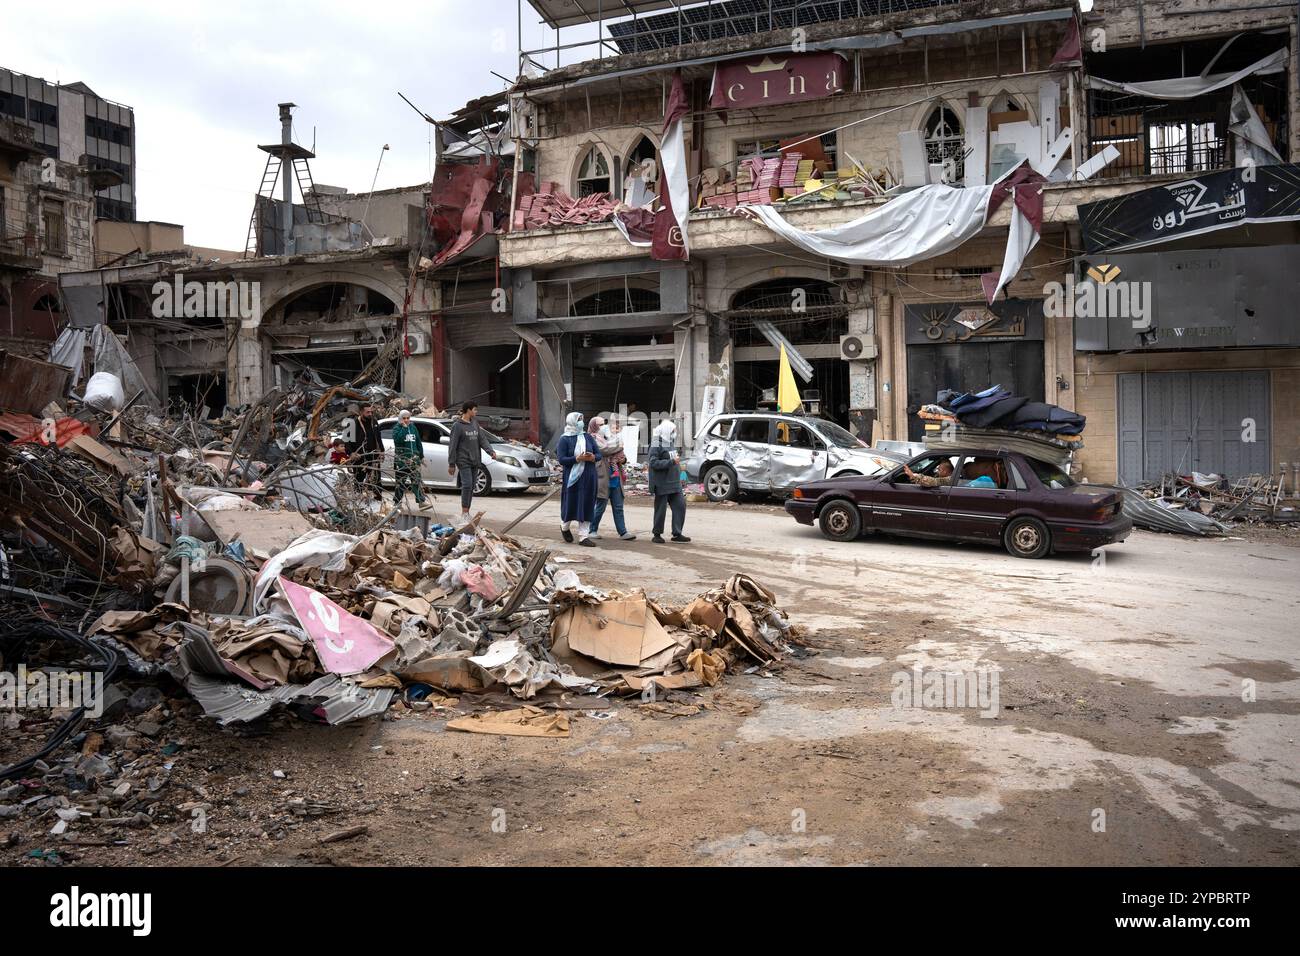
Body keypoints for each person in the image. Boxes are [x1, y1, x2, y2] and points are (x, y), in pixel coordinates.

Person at [447, 401, 498, 521]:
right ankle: (464, 512)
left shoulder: (475, 423)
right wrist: (451, 464)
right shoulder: (457, 426)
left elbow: (482, 439)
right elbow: (452, 446)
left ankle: (467, 511)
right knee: (467, 484)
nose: (476, 412)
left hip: (475, 460)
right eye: (474, 410)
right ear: (468, 410)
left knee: (472, 486)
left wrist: (490, 451)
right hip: (463, 460)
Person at [589, 417, 636, 542]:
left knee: (618, 506)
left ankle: (623, 532)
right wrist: (619, 446)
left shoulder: (611, 437)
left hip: (615, 476)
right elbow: (604, 450)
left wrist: (623, 459)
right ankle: (592, 529)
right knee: (601, 506)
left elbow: (622, 455)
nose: (602, 426)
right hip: (602, 477)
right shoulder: (592, 439)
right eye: (599, 425)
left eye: (604, 424)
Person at [556, 411, 598, 546]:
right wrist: (577, 458)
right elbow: (561, 459)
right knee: (571, 504)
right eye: (579, 419)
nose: (582, 422)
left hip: (589, 477)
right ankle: (565, 526)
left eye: (582, 419)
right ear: (572, 421)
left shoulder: (587, 437)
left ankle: (583, 536)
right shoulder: (564, 439)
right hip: (573, 479)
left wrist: (592, 457)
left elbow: (599, 454)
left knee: (586, 504)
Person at [648, 420, 689, 544]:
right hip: (662, 483)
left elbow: (674, 459)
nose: (674, 433)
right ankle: (657, 534)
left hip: (674, 483)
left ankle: (677, 533)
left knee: (680, 506)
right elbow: (653, 463)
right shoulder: (656, 444)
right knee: (661, 509)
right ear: (666, 431)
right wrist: (671, 463)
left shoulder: (670, 443)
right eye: (672, 431)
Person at [391, 409, 429, 509]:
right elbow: (398, 440)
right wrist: (403, 428)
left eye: (408, 418)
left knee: (416, 481)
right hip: (402, 460)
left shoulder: (413, 428)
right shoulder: (397, 428)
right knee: (400, 483)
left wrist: (421, 456)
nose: (406, 420)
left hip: (414, 460)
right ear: (400, 418)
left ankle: (421, 502)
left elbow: (418, 443)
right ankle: (397, 503)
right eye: (404, 418)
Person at [349, 403, 383, 501]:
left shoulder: (374, 422)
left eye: (371, 412)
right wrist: (351, 453)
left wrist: (382, 451)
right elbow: (346, 441)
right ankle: (358, 500)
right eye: (367, 412)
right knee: (359, 479)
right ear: (361, 412)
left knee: (376, 479)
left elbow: (378, 438)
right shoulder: (353, 424)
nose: (370, 414)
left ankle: (377, 500)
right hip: (360, 457)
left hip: (373, 456)